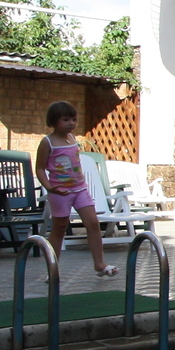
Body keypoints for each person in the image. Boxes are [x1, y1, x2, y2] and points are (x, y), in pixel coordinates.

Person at [34, 101, 117, 277]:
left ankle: (99, 263)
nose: (71, 123)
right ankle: (52, 268)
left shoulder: (72, 139)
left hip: (80, 190)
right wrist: (50, 188)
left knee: (93, 223)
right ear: (54, 121)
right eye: (66, 120)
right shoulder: (48, 142)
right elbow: (40, 168)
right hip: (60, 193)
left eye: (74, 119)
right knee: (59, 228)